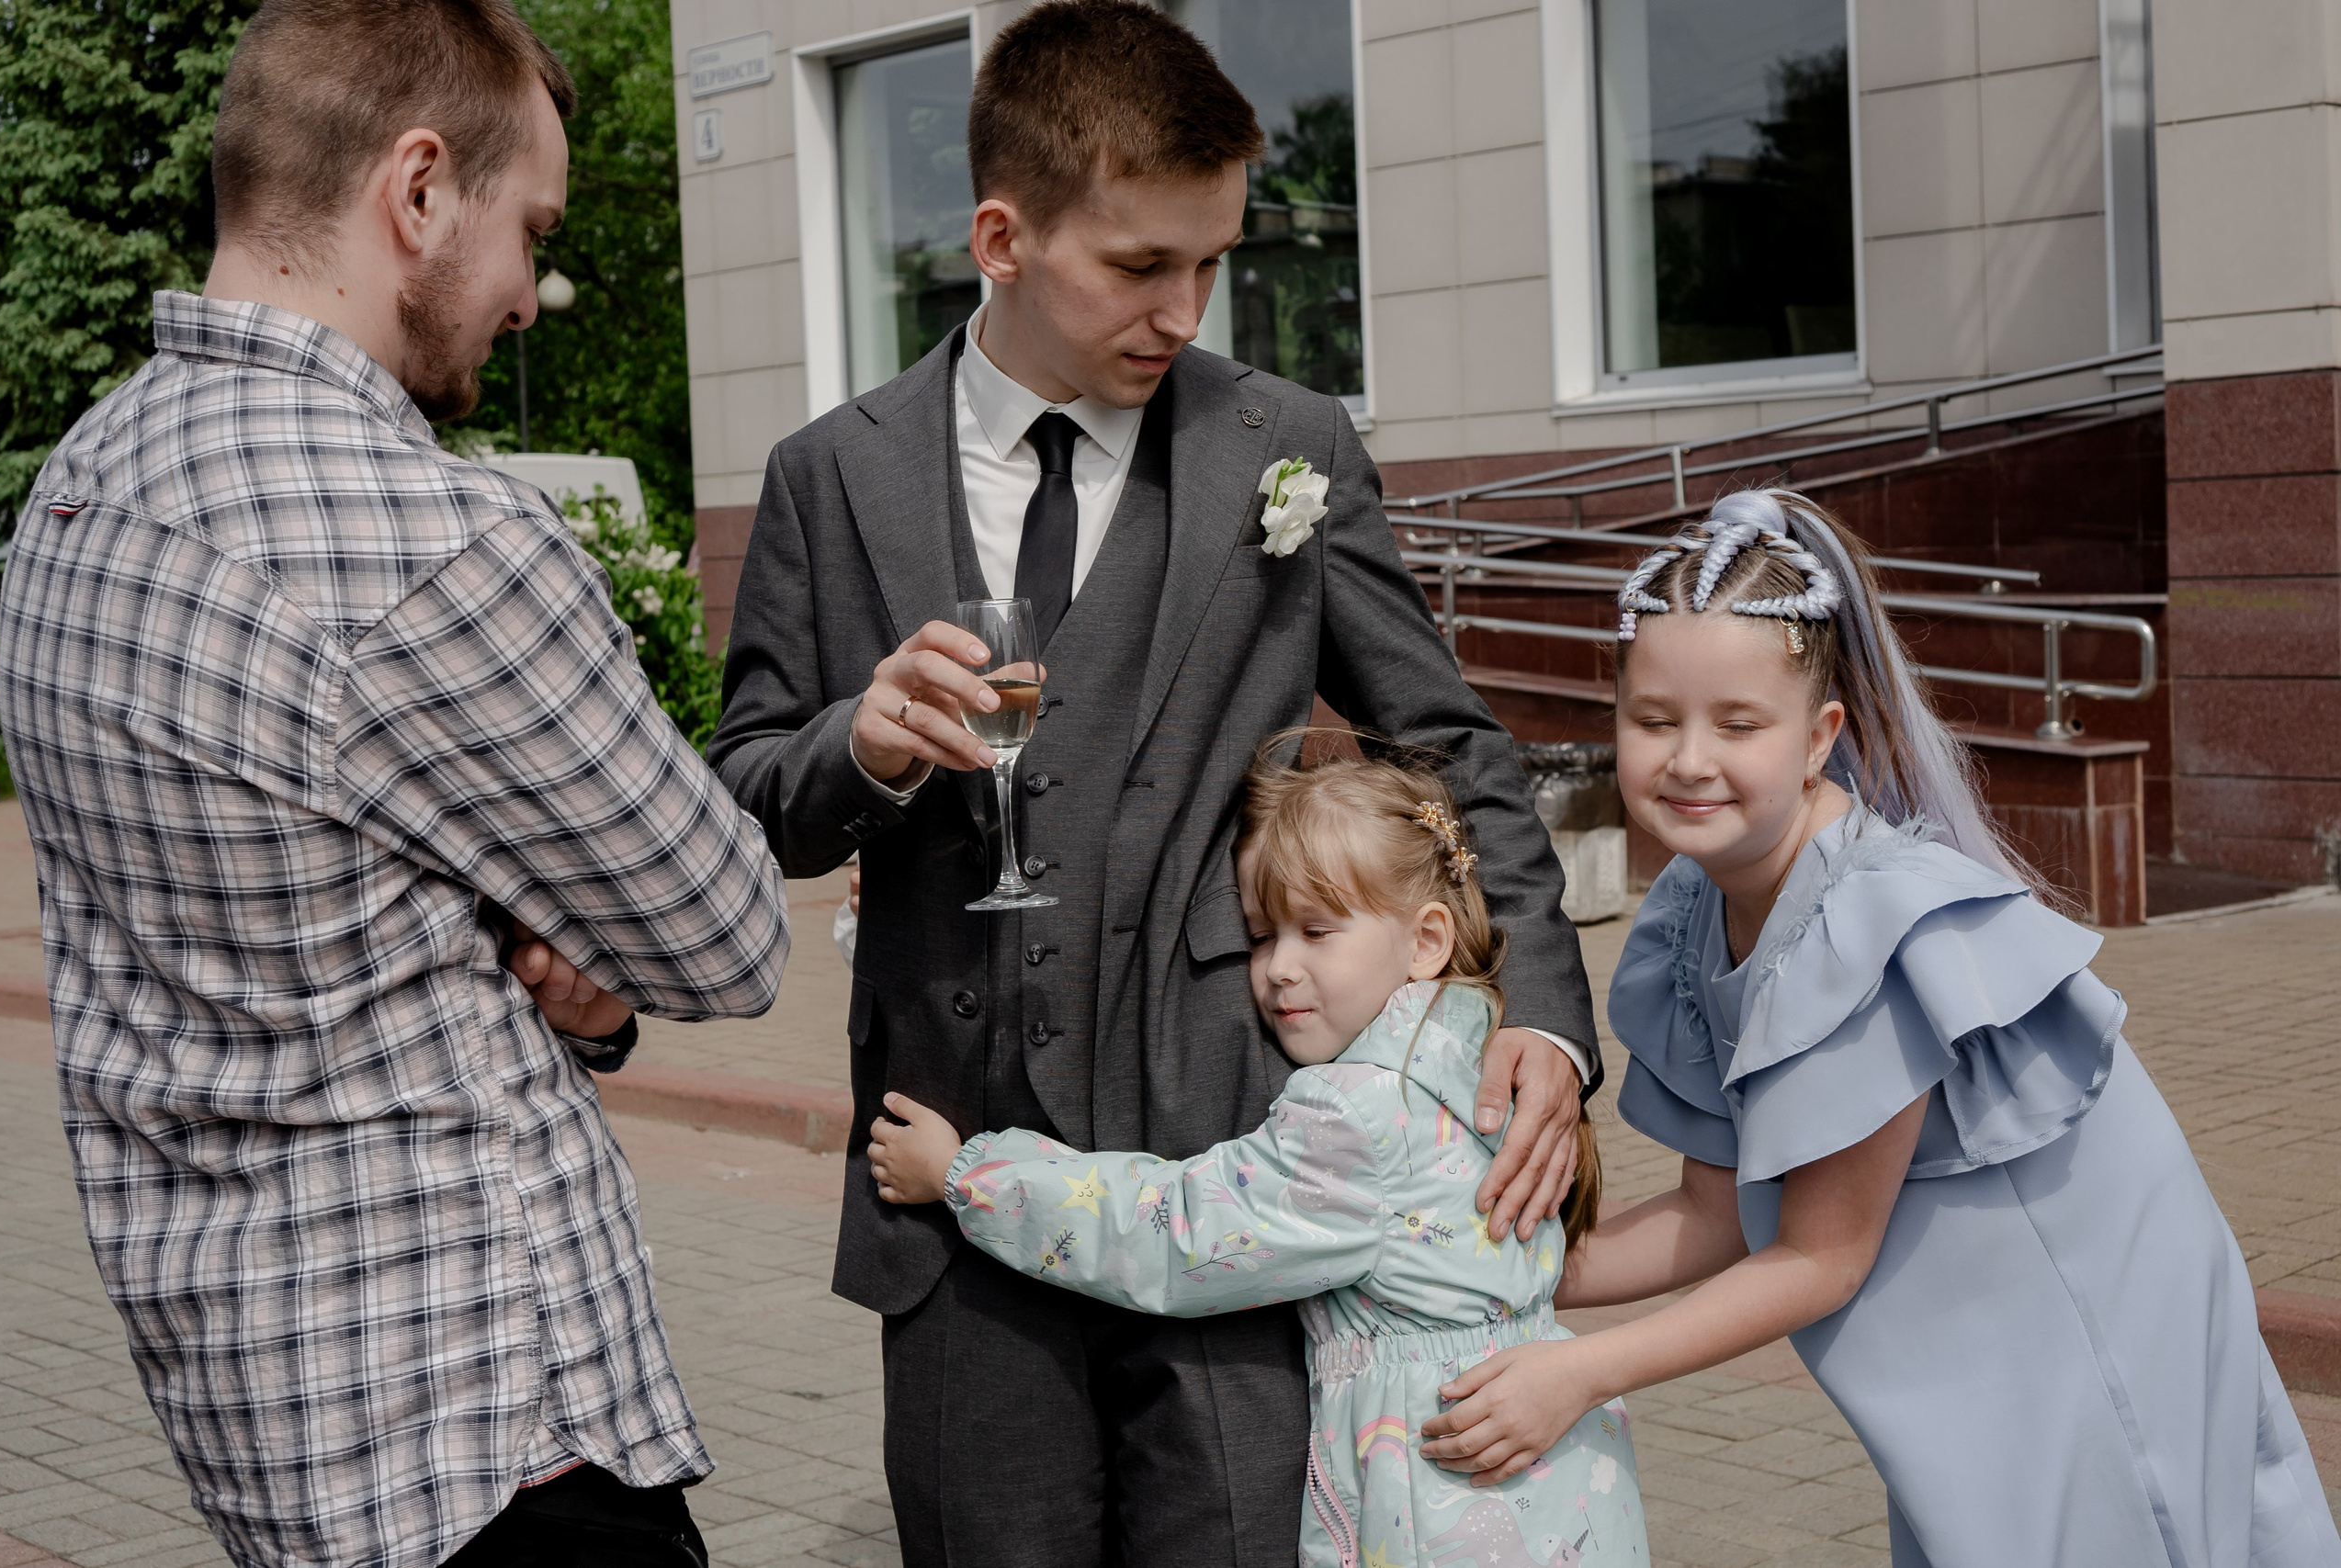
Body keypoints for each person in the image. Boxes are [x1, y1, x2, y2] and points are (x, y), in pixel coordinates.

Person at [707, 3, 1601, 1559]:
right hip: (956, 1204)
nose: (1184, 307)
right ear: (1003, 233)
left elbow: (1445, 742)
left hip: (1236, 1195)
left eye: (1212, 263)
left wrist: (1545, 1019)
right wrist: (858, 741)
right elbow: (748, 791)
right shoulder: (828, 477)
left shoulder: (1288, 444)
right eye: (1139, 265)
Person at [0, 2, 791, 1563]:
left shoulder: (76, 490)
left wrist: (565, 979)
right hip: (493, 1448)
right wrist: (588, 971)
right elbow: (731, 934)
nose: (533, 295)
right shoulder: (431, 544)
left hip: (269, 1436)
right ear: (418, 192)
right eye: (532, 232)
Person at [1417, 491, 2341, 1567]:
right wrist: (1493, 1269)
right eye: (1653, 720)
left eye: (1738, 725)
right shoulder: (1685, 914)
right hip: (1962, 1346)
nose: (1688, 760)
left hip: (2081, 1322)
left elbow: (1817, 1257)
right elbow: (1718, 1213)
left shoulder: (1869, 918)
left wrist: (1579, 1369)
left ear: (1820, 739)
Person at [865, 747, 1647, 1568]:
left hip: (1438, 1504)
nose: (1278, 968)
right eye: (1261, 935)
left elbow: (1177, 1232)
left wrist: (967, 1175)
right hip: (1565, 1490)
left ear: (1425, 940)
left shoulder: (1352, 1114)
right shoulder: (1488, 1058)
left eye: (1316, 930)